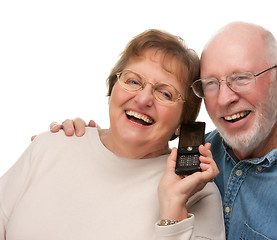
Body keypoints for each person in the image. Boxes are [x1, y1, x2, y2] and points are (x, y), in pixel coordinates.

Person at [47, 22, 277, 239]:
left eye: (241, 77)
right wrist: (86, 145)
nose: (224, 99)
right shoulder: (195, 152)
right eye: (211, 83)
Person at [0, 29, 226, 240]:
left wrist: (173, 207)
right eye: (133, 81)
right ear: (112, 90)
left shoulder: (198, 192)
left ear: (182, 123)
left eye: (165, 94)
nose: (143, 99)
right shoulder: (50, 145)